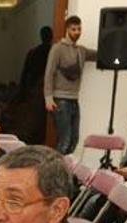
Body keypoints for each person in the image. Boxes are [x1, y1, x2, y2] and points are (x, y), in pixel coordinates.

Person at [43, 15, 97, 154]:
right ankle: (55, 172)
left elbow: (99, 55)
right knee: (64, 141)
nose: (77, 32)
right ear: (67, 30)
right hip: (60, 100)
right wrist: (48, 98)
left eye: (79, 29)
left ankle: (64, 170)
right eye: (74, 29)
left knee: (73, 140)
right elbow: (49, 73)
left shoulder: (81, 50)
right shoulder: (57, 48)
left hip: (74, 100)